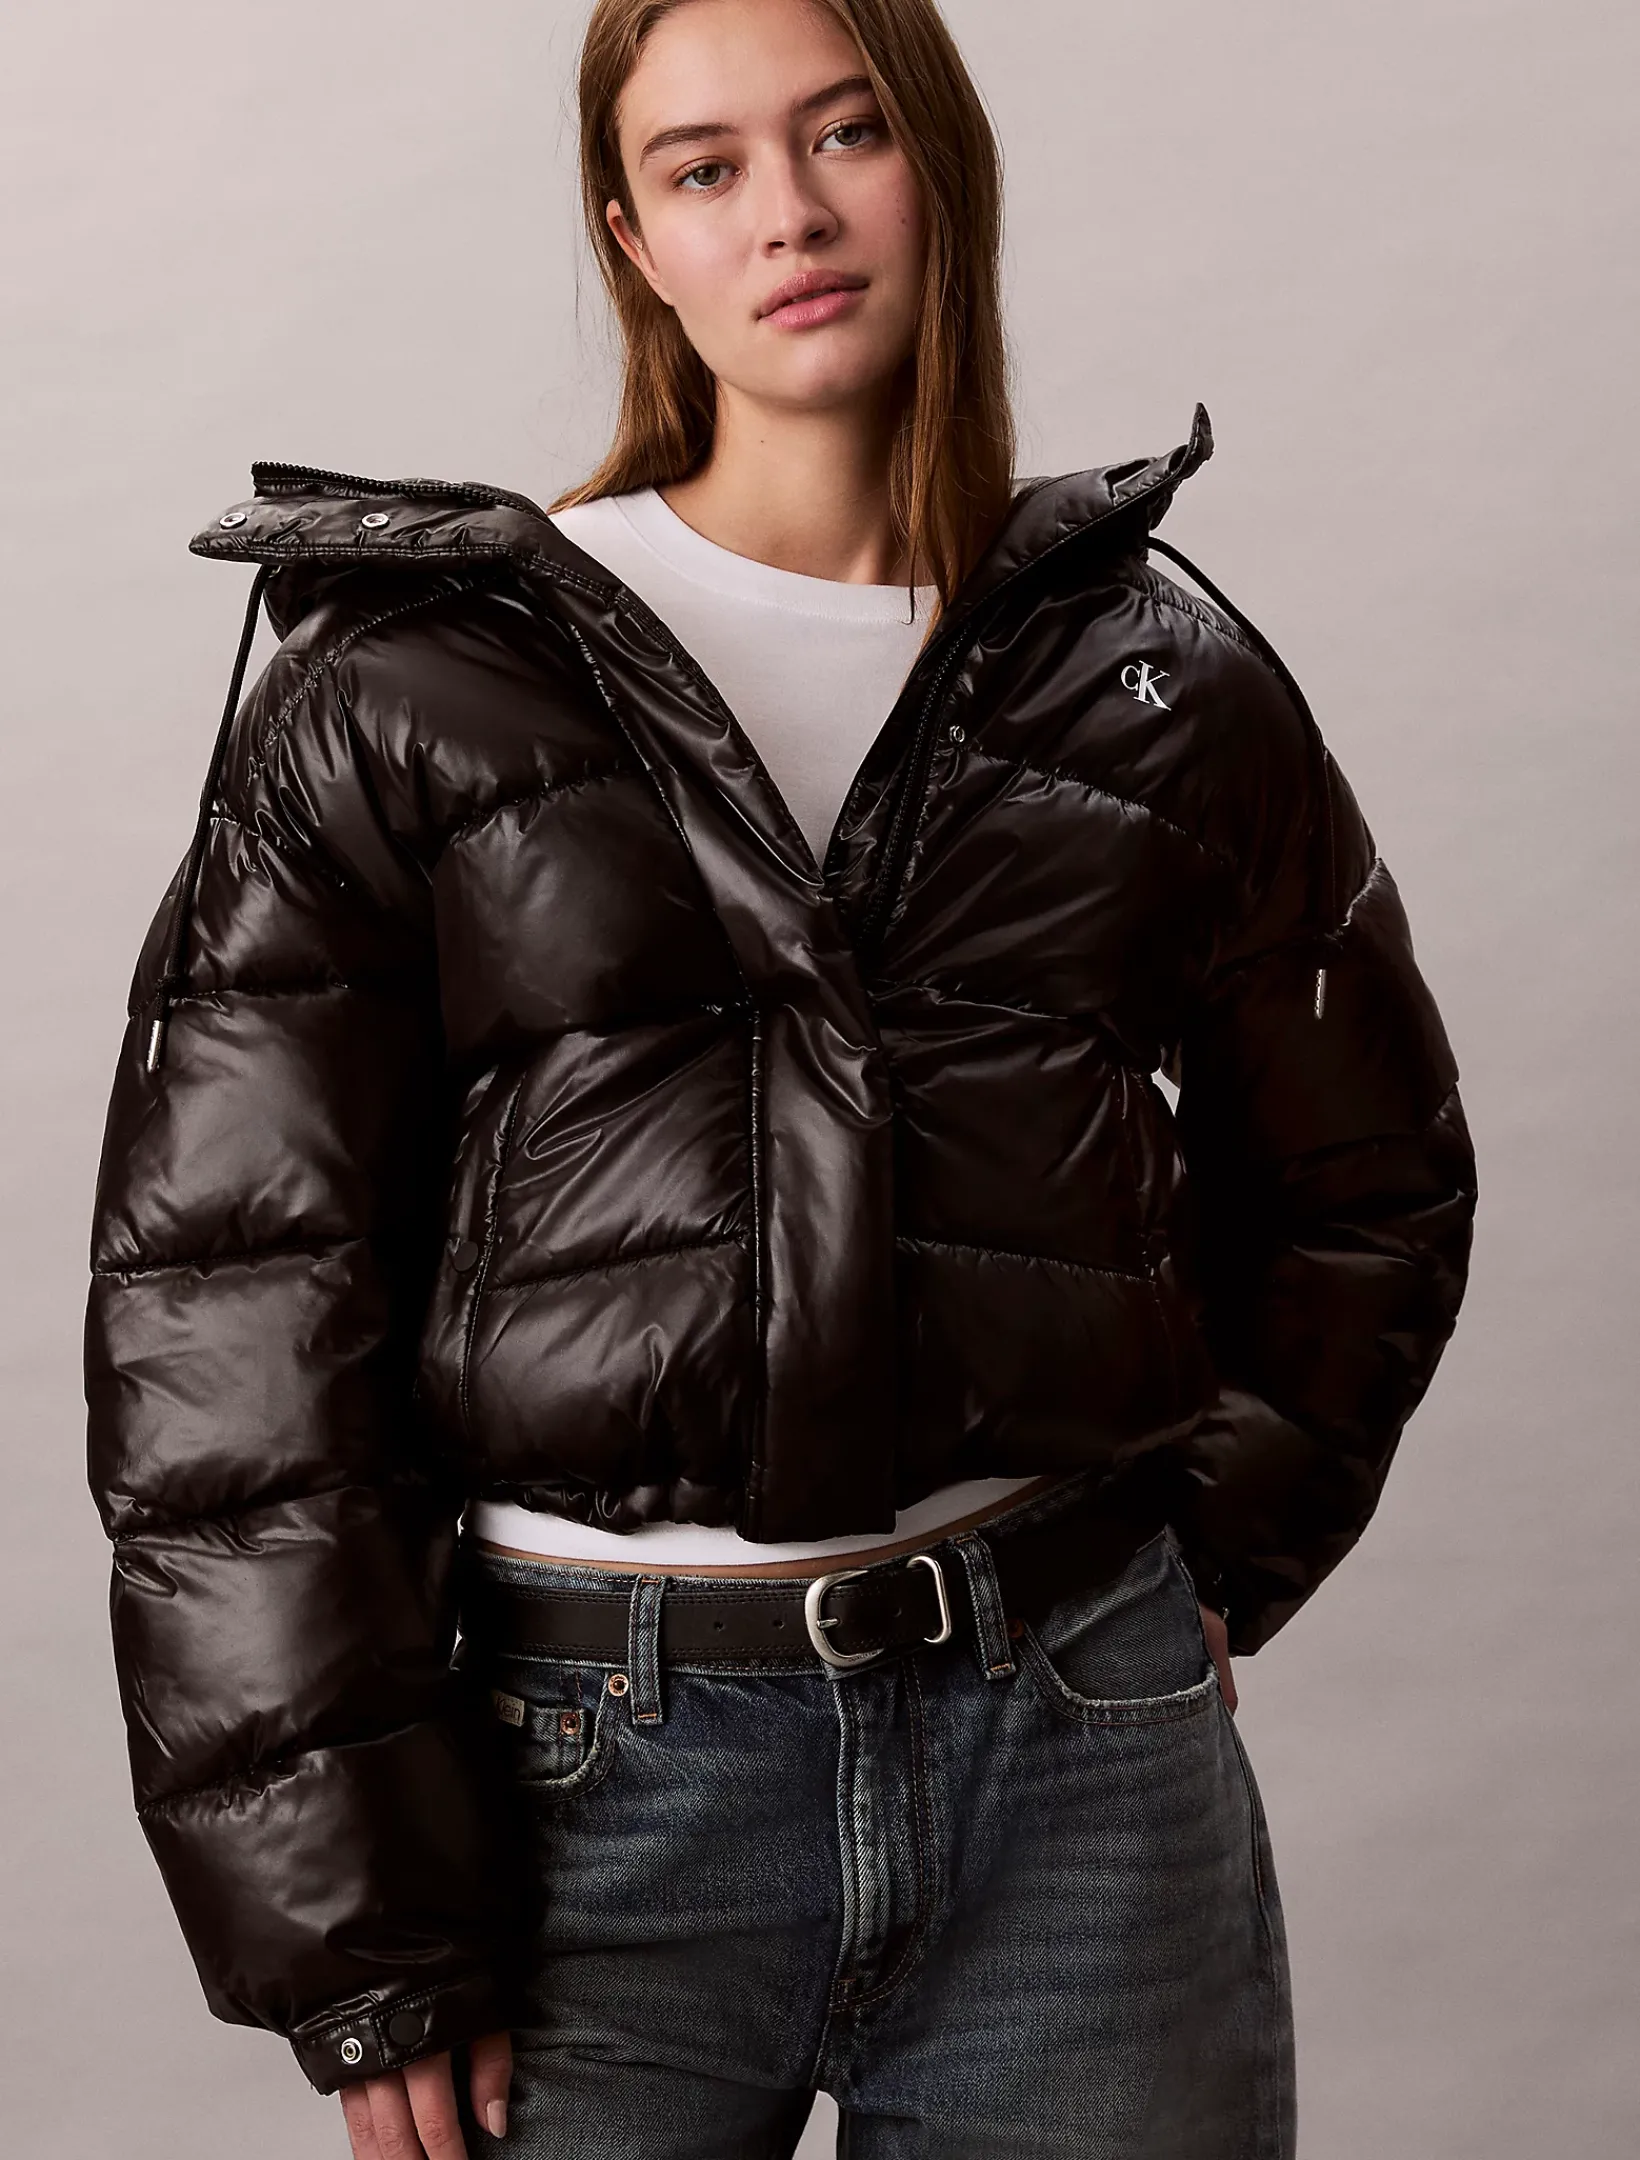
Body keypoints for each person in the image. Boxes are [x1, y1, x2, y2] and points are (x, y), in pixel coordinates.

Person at [83, 0, 1477, 2154]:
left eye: (847, 134)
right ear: (631, 235)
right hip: (580, 1796)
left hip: (1080, 1770)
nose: (791, 215)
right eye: (708, 165)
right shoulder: (412, 690)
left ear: (944, 167)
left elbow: (1364, 1176)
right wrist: (362, 1931)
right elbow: (229, 1320)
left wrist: (1220, 1540)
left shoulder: (1158, 681)